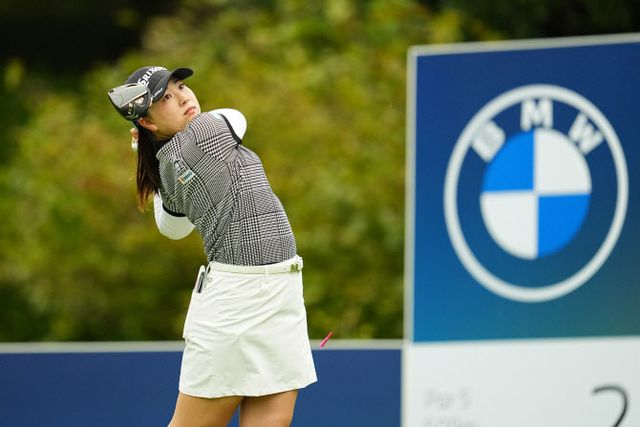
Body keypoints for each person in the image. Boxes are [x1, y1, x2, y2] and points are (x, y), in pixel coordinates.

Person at [107, 66, 317, 427]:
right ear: (147, 122)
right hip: (235, 301)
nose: (184, 97)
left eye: (181, 86)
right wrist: (147, 146)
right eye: (166, 97)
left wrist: (145, 148)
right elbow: (237, 116)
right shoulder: (207, 129)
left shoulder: (168, 165)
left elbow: (172, 228)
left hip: (281, 292)